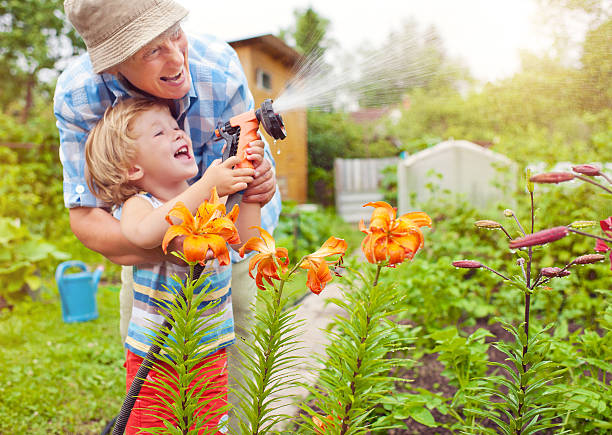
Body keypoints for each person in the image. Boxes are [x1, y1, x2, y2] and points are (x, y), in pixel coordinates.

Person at [55, 0, 280, 427]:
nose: (178, 60)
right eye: (150, 50)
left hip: (212, 339)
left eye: (176, 34)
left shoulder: (220, 70)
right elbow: (130, 230)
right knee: (153, 419)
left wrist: (254, 192)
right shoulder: (139, 199)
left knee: (222, 415)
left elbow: (241, 241)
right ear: (115, 64)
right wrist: (203, 194)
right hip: (158, 343)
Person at [84, 97, 261, 432]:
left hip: (208, 353)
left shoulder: (210, 201)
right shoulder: (140, 204)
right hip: (157, 359)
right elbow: (142, 233)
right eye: (160, 133)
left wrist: (247, 189)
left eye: (177, 127)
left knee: (206, 428)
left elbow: (244, 239)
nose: (179, 134)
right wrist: (209, 185)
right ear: (134, 169)